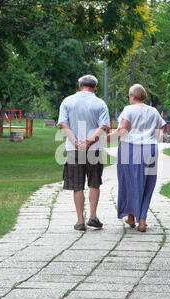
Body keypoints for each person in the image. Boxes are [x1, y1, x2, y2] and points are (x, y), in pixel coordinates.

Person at [107, 84, 166, 232]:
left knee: (129, 182)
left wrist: (106, 138)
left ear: (132, 96)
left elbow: (123, 130)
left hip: (130, 148)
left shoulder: (129, 109)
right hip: (150, 149)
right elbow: (160, 131)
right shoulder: (153, 111)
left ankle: (132, 216)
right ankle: (141, 221)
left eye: (129, 96)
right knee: (147, 184)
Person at [58, 75, 110, 231]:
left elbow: (63, 123)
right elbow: (103, 126)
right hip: (94, 149)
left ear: (80, 86)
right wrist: (89, 141)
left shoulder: (67, 101)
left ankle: (80, 220)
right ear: (94, 87)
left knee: (77, 185)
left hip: (74, 149)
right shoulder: (100, 103)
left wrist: (75, 141)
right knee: (94, 183)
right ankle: (93, 216)